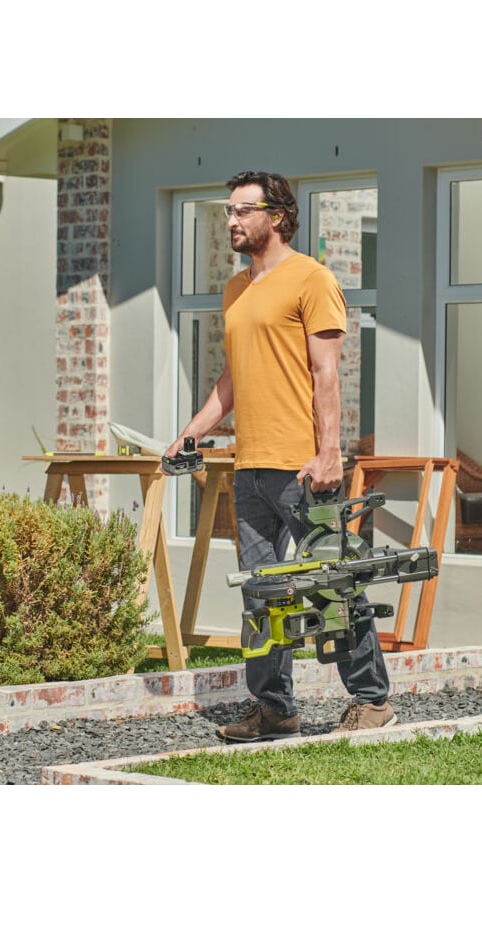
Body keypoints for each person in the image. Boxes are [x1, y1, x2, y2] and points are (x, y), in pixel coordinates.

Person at [162, 170, 396, 743]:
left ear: (279, 215)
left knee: (331, 583)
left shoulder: (312, 279)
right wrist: (190, 434)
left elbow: (326, 374)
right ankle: (274, 709)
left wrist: (329, 452)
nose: (232, 220)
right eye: (229, 211)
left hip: (303, 468)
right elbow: (231, 380)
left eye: (243, 210)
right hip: (250, 467)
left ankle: (373, 701)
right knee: (260, 593)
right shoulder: (235, 290)